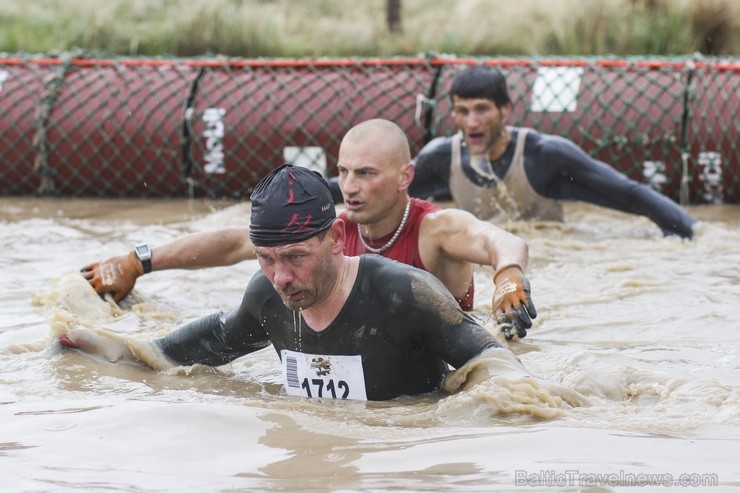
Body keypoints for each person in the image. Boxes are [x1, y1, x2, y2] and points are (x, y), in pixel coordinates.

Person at [61, 164, 510, 402]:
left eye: (296, 257)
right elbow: (192, 348)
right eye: (266, 259)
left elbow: (497, 363)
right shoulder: (266, 298)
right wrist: (103, 348)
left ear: (335, 238)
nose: (282, 278)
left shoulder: (402, 292)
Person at [82, 119, 537, 339]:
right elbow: (236, 242)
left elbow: (499, 239)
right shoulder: (334, 228)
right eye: (343, 172)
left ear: (404, 177)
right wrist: (137, 260)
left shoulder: (434, 230)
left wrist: (508, 275)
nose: (349, 187)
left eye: (365, 173)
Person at [408, 65, 697, 239]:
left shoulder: (545, 155)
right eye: (462, 111)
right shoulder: (441, 157)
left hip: (549, 260)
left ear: (505, 110)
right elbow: (386, 195)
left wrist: (691, 233)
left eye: (482, 109)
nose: (471, 122)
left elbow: (628, 193)